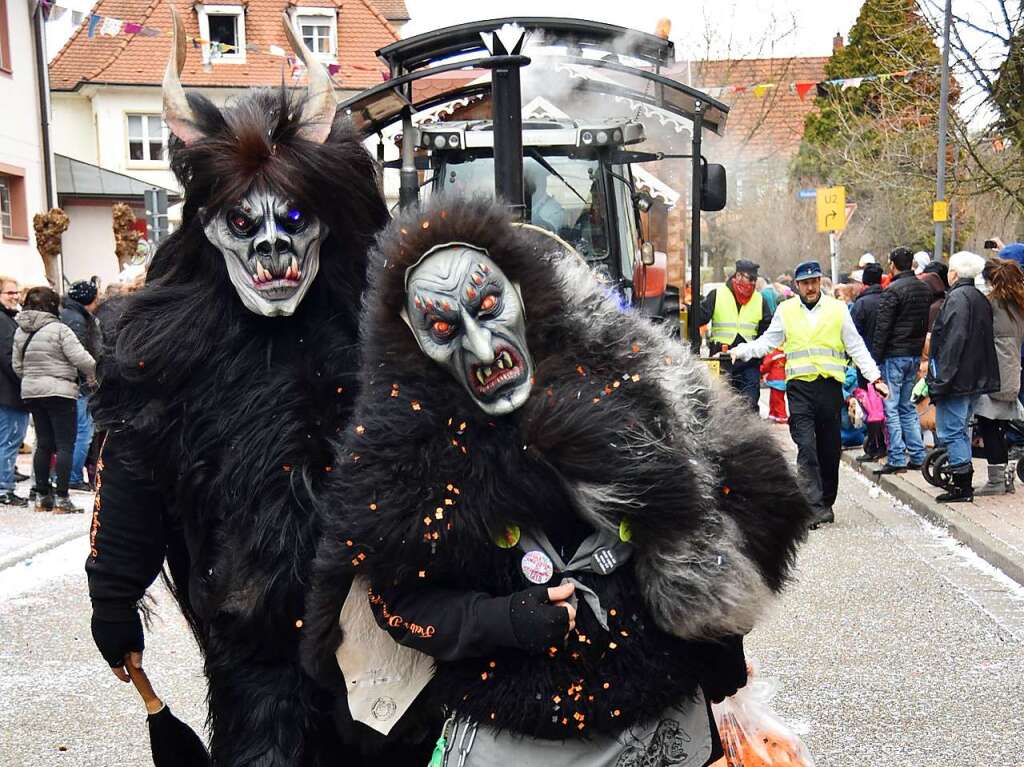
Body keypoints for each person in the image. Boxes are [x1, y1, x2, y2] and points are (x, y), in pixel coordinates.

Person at [303, 197, 812, 767]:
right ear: (415, 342)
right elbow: (396, 605)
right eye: (445, 328)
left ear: (520, 292)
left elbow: (728, 495)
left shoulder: (625, 376)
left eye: (488, 305)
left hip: (658, 721)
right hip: (519, 737)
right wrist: (504, 621)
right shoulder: (405, 458)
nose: (480, 345)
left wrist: (718, 636)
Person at [82, 18, 422, 765]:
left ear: (325, 225)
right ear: (211, 229)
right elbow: (137, 466)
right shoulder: (171, 348)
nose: (271, 248)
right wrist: (115, 588)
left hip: (397, 628)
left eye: (293, 220)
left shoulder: (388, 329)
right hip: (253, 639)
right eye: (245, 223)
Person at [731, 260, 889, 528]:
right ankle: (812, 505)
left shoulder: (838, 310)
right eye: (805, 283)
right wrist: (741, 351)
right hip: (799, 389)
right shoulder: (786, 310)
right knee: (806, 446)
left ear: (820, 282)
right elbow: (768, 342)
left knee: (829, 449)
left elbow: (856, 347)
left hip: (828, 388)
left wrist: (875, 378)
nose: (811, 287)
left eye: (815, 281)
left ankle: (826, 501)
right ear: (797, 286)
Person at [12, 286, 96, 514]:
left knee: (44, 443)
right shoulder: (60, 330)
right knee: (65, 445)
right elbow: (82, 359)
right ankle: (62, 498)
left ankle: (42, 496)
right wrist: (95, 372)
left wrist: (33, 379)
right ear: (52, 305)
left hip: (32, 391)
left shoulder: (21, 330)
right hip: (59, 391)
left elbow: (17, 366)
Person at [926, 252, 1000, 502]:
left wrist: (940, 381)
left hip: (958, 379)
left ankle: (961, 485)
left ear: (955, 273)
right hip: (975, 377)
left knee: (952, 431)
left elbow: (952, 343)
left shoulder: (957, 299)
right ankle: (961, 481)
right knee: (960, 428)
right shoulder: (979, 298)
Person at [872, 247, 933, 474]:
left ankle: (896, 457)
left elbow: (883, 328)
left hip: (893, 355)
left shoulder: (892, 291)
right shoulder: (924, 289)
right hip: (913, 353)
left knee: (891, 407)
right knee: (908, 407)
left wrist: (875, 358)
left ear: (892, 264)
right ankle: (917, 454)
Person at [972, 258, 1024, 494]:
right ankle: (1005, 477)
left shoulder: (992, 304)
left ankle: (996, 480)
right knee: (1000, 426)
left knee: (988, 423)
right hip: (1012, 370)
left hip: (993, 374)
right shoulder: (1018, 304)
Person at [699, 259, 772, 408]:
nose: (752, 284)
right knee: (719, 406)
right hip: (721, 360)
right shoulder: (717, 294)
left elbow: (766, 332)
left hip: (749, 363)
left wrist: (759, 356)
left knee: (749, 405)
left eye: (754, 280)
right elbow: (699, 319)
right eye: (749, 279)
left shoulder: (760, 300)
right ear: (737, 276)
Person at [60, 279, 101, 490]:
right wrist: (91, 377)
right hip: (80, 385)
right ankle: (73, 477)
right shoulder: (77, 320)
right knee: (83, 433)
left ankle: (67, 476)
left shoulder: (67, 314)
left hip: (71, 383)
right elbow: (80, 355)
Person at [849, 263, 886, 461]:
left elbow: (852, 335)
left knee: (871, 406)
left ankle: (875, 446)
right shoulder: (888, 299)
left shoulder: (861, 304)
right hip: (885, 360)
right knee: (885, 405)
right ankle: (884, 443)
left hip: (865, 362)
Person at [0, 275, 30, 507]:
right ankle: (4, 488)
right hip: (8, 392)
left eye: (16, 292)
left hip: (7, 391)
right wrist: (24, 380)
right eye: (10, 293)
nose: (15, 296)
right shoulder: (3, 320)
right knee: (9, 441)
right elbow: (8, 357)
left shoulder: (7, 318)